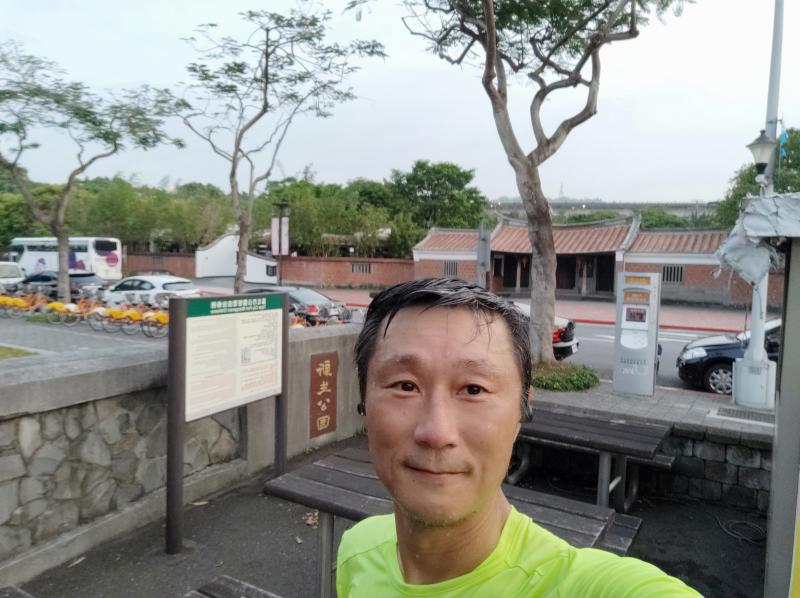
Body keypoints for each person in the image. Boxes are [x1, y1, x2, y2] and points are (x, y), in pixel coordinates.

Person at [337, 278, 701, 597]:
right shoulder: (358, 550)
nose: (436, 432)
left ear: (521, 412)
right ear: (364, 402)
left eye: (474, 390)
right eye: (405, 386)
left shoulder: (583, 586)